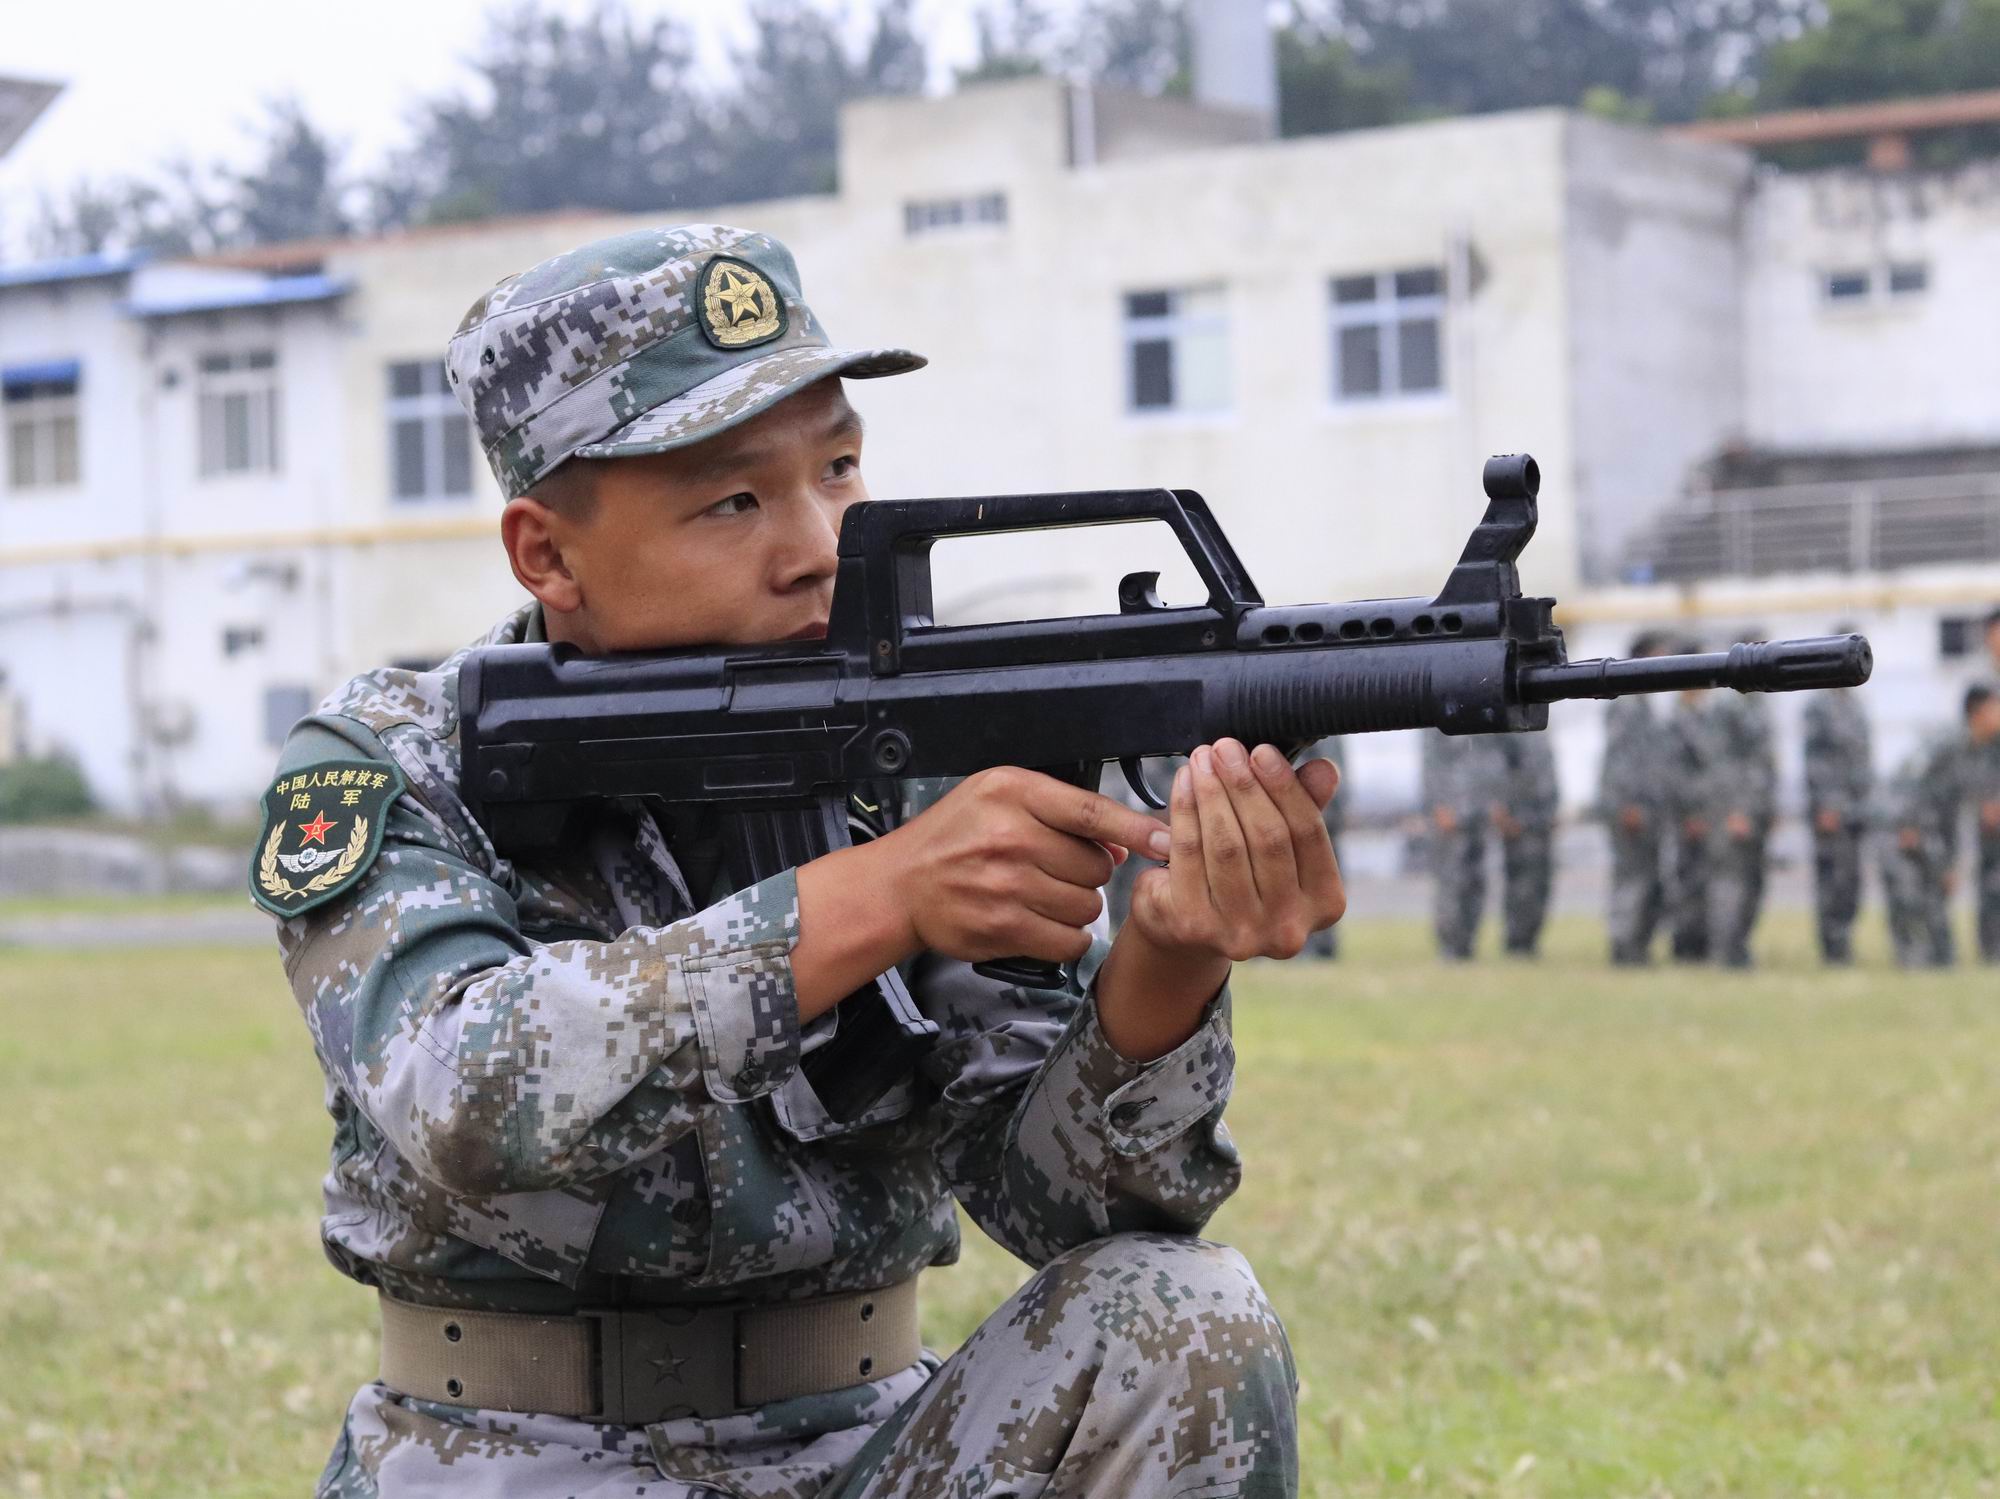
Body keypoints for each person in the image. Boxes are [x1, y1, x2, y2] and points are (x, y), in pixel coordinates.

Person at [252, 225, 1331, 1497]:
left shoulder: (914, 755)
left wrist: (1169, 953)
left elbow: (1074, 1213)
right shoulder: (396, 762)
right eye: (734, 499)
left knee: (1183, 1308)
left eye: (839, 466)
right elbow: (465, 1092)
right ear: (546, 553)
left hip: (868, 1449)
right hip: (510, 1461)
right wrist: (882, 894)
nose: (819, 542)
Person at [1880, 686, 2000, 967]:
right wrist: (1906, 824)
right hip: (1904, 831)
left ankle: (1934, 960)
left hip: (1935, 839)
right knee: (1908, 901)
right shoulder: (1947, 743)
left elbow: (1961, 806)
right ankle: (1911, 964)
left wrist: (1951, 861)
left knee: (1942, 946)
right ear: (1978, 712)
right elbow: (1908, 776)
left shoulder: (1980, 751)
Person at [1420, 730, 1556, 959]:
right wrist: (1438, 804)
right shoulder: (1439, 717)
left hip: (1484, 804)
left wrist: (1502, 802)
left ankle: (1494, 945)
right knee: (1456, 879)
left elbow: (1504, 757)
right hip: (1455, 806)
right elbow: (1432, 759)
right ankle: (1454, 948)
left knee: (1481, 879)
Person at [1599, 631, 1672, 965]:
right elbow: (1619, 761)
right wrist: (1627, 805)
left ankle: (1638, 945)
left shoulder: (1645, 706)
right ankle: (1625, 947)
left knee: (1647, 878)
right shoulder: (1627, 707)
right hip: (1630, 809)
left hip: (1648, 809)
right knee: (1632, 879)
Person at [1704, 639, 1777, 969]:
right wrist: (1734, 811)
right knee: (1730, 882)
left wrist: (1769, 807)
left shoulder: (1758, 704)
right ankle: (1725, 952)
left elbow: (1765, 764)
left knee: (1753, 882)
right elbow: (1721, 763)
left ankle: (1740, 947)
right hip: (1734, 811)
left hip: (1757, 809)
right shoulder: (1727, 707)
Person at [1801, 637, 1872, 964]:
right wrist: (1824, 805)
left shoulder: (1856, 705)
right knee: (1832, 879)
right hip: (1831, 810)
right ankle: (1832, 949)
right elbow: (1813, 759)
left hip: (1856, 808)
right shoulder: (1818, 706)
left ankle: (1845, 943)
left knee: (1851, 881)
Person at [1302, 737, 1346, 959]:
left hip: (1323, 815)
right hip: (1304, 811)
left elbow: (1336, 765)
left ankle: (1323, 947)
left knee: (1323, 884)